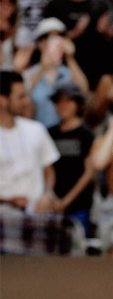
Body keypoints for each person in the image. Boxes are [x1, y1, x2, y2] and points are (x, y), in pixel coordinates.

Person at [43, 0, 113, 91]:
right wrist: (73, 34)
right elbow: (45, 42)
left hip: (99, 73)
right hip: (66, 77)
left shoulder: (102, 3)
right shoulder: (55, 5)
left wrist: (106, 31)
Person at [0, 71, 60, 215]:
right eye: (20, 97)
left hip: (37, 215)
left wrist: (48, 194)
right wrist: (8, 200)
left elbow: (49, 170)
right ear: (2, 100)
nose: (26, 101)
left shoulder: (36, 129)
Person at [22, 17, 89, 128]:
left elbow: (83, 91)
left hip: (63, 137)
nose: (54, 42)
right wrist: (42, 68)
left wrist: (70, 58)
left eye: (59, 37)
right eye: (47, 37)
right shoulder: (29, 73)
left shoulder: (68, 72)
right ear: (39, 43)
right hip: (39, 135)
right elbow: (21, 96)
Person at [48, 82, 95, 237]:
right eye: (58, 101)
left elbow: (89, 173)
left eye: (68, 100)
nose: (62, 105)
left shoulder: (87, 135)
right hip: (51, 205)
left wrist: (65, 202)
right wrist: (52, 198)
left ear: (78, 104)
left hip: (79, 206)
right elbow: (46, 168)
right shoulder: (49, 133)